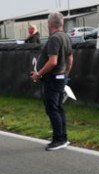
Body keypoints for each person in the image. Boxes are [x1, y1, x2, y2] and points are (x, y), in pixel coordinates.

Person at [30, 12, 74, 151]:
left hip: (52, 78)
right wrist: (66, 74)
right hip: (60, 77)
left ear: (50, 24)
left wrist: (38, 74)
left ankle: (58, 139)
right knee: (58, 108)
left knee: (52, 108)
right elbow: (70, 59)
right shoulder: (65, 37)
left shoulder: (54, 38)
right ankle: (63, 137)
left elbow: (52, 62)